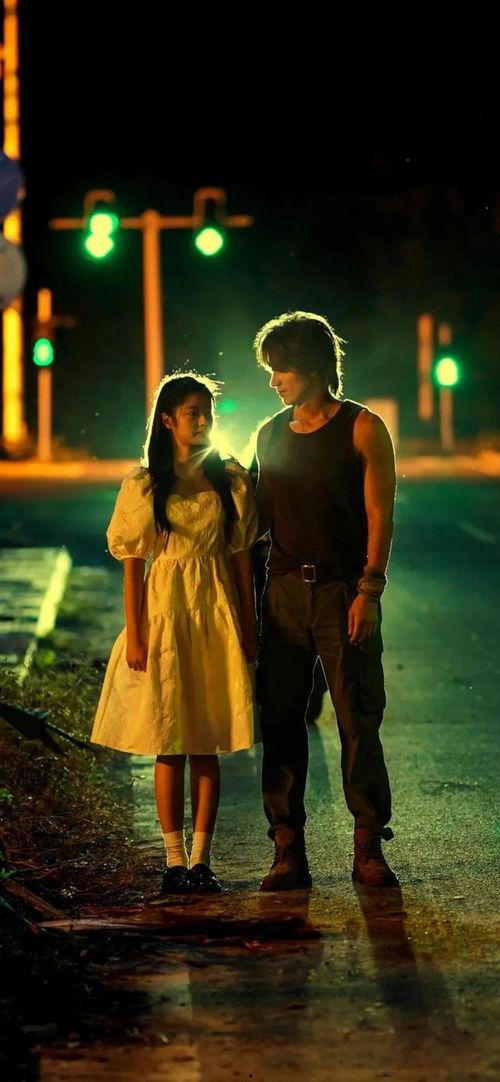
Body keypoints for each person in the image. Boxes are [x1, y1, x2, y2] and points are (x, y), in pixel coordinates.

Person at [91, 373, 258, 895]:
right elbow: (133, 565)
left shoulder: (229, 481)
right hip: (166, 613)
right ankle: (173, 861)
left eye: (207, 411)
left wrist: (249, 626)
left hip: (214, 613)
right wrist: (136, 633)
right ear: (168, 420)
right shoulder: (145, 486)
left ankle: (203, 860)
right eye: (192, 412)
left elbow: (242, 561)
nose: (203, 420)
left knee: (207, 740)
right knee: (169, 740)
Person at [253, 311, 398, 890]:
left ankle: (368, 847)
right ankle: (287, 849)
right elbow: (256, 520)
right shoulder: (269, 433)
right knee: (281, 721)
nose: (273, 381)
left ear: (312, 367)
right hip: (284, 592)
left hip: (343, 591)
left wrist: (370, 589)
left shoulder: (363, 428)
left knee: (357, 720)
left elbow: (380, 515)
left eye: (281, 369)